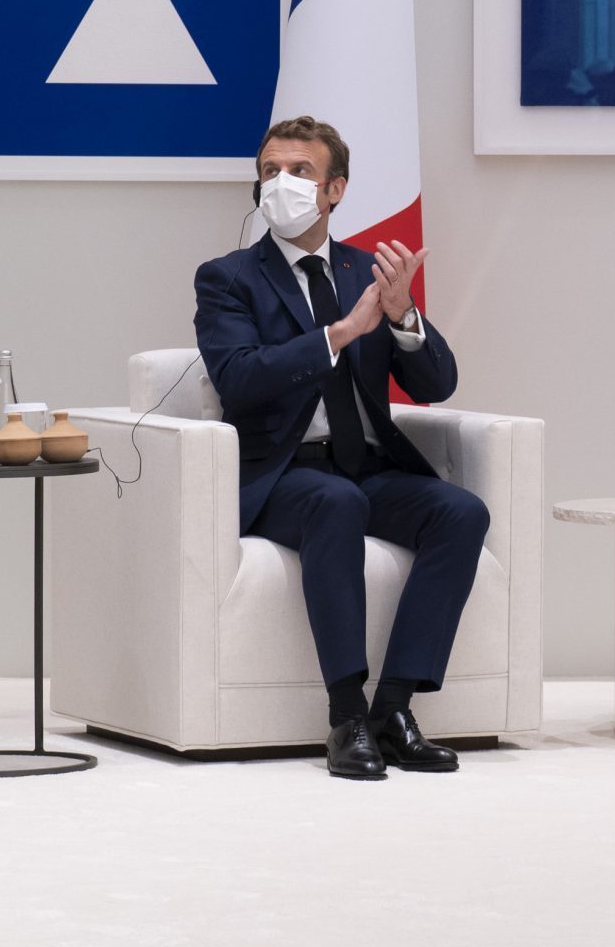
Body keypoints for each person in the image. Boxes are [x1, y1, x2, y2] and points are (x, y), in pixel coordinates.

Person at [193, 116, 482, 780]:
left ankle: (394, 707)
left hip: (366, 469)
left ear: (334, 190)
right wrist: (340, 333)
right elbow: (238, 377)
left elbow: (435, 383)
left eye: (299, 172)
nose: (281, 184)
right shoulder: (228, 278)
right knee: (333, 502)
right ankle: (346, 714)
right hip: (282, 476)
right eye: (269, 171)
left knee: (460, 512)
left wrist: (404, 316)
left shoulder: (366, 271)